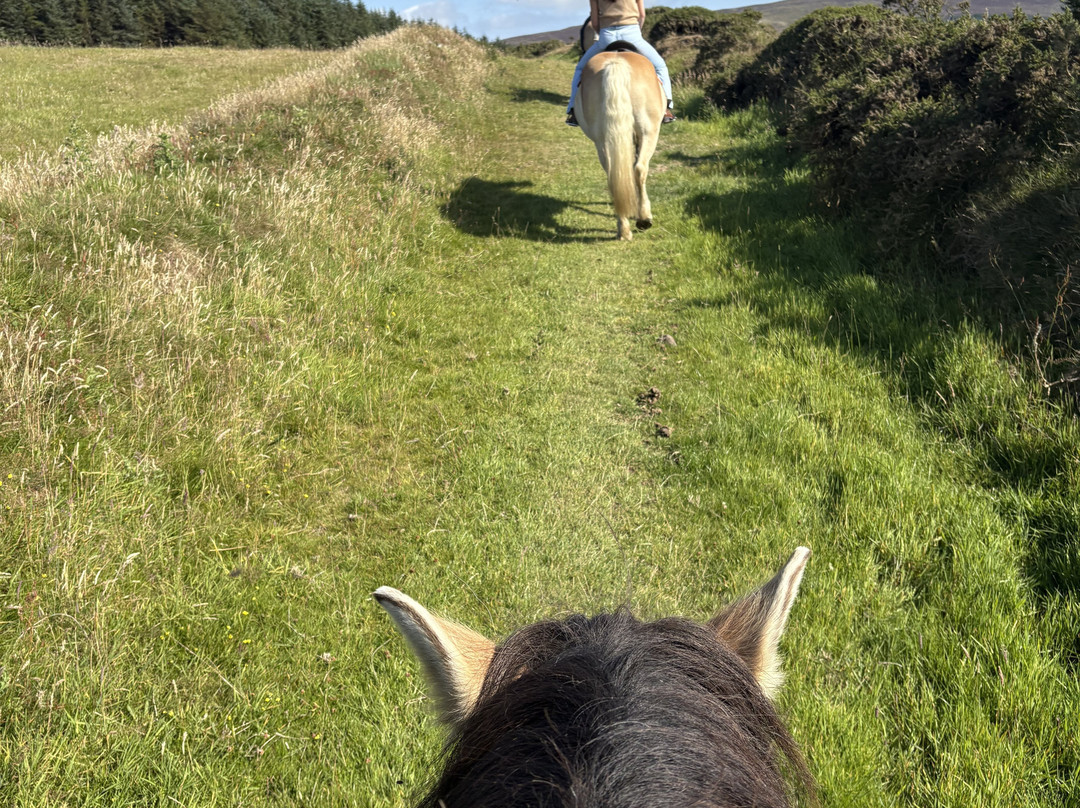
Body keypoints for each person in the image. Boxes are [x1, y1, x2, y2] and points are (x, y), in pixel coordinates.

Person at [566, 0, 675, 127]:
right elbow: (642, 15)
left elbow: (594, 23)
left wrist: (604, 34)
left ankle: (573, 110)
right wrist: (637, 32)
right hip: (632, 34)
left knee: (580, 68)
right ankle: (666, 108)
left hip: (606, 36)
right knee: (660, 66)